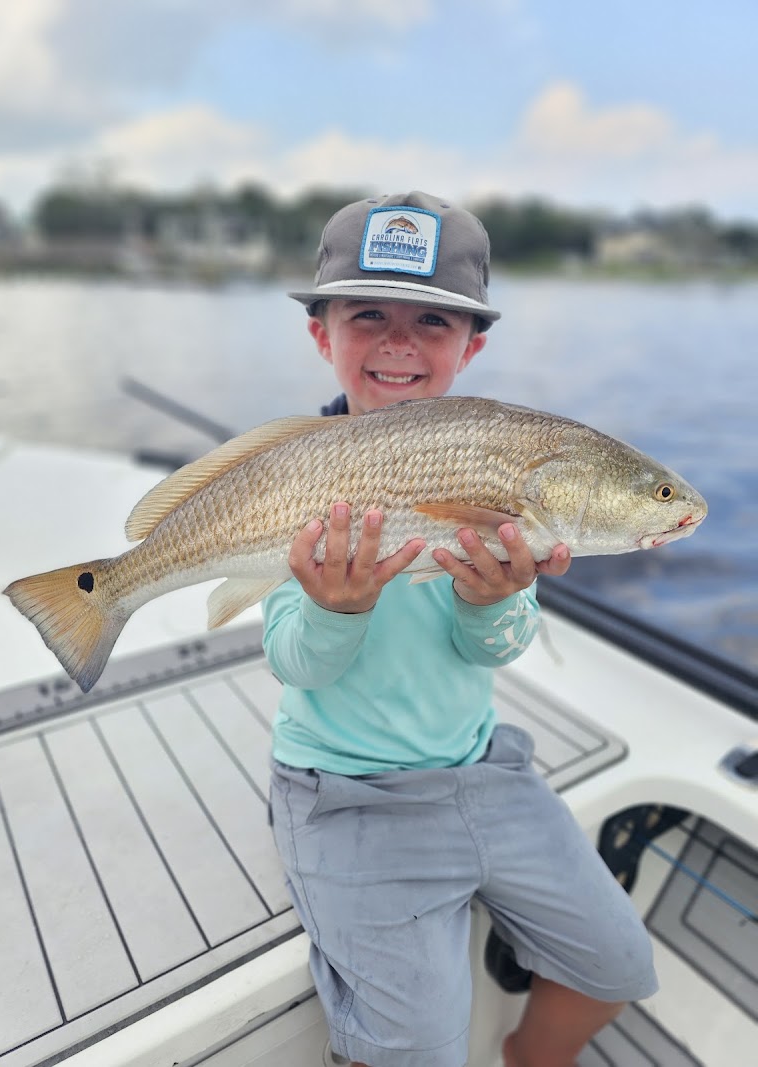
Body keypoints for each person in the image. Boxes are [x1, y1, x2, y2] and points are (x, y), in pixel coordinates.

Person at [262, 191, 657, 1067]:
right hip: (345, 791)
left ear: (471, 345)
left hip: (481, 766)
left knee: (620, 965)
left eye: (433, 321)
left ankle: (529, 1058)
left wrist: (488, 604)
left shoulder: (499, 467)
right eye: (368, 314)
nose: (400, 341)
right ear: (322, 333)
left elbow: (494, 648)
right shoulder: (295, 477)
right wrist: (336, 608)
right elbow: (291, 660)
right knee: (413, 1050)